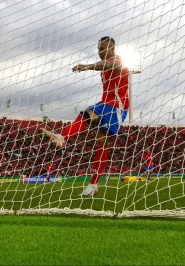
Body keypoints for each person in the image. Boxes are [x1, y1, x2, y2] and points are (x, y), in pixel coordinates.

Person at [41, 37, 129, 196]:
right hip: (105, 103)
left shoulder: (118, 59)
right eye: (99, 49)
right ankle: (62, 137)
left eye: (103, 48)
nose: (100, 52)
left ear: (112, 48)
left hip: (117, 106)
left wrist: (86, 66)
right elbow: (104, 66)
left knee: (101, 143)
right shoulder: (103, 68)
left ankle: (93, 184)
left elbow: (109, 64)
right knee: (86, 115)